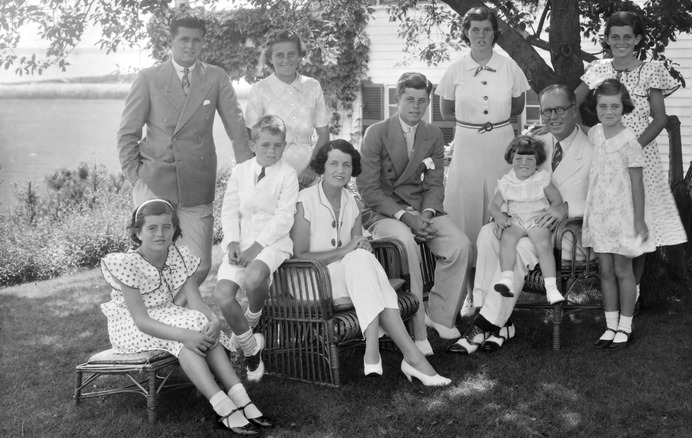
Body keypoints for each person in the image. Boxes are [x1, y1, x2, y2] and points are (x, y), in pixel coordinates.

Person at [99, 199, 273, 435]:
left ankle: (241, 398)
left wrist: (214, 320)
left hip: (166, 315)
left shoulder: (177, 255)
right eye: (152, 228)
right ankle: (223, 407)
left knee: (199, 322)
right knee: (186, 334)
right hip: (130, 325)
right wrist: (186, 336)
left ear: (175, 229)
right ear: (138, 232)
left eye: (166, 227)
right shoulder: (127, 263)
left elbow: (197, 303)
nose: (160, 233)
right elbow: (141, 320)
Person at [291, 140, 451, 386]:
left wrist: (361, 245)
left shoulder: (351, 201)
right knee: (361, 261)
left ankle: (384, 353)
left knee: (362, 256)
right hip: (312, 280)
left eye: (346, 165)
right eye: (333, 163)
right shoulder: (306, 200)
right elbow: (300, 255)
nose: (340, 170)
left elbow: (356, 243)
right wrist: (349, 250)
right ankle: (406, 356)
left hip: (349, 275)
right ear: (322, 166)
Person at [449, 85, 593, 354]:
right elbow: (515, 184)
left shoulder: (594, 148)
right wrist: (502, 215)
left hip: (566, 235)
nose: (553, 116)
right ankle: (497, 317)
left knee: (519, 248)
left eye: (560, 109)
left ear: (574, 110)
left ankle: (483, 326)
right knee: (487, 233)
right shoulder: (538, 145)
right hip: (525, 223)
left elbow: (607, 201)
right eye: (547, 111)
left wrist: (568, 207)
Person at [117, 12, 253, 289]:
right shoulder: (149, 78)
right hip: (155, 180)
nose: (190, 46)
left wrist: (250, 175)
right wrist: (136, 178)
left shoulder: (215, 77)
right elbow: (127, 134)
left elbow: (237, 127)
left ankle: (172, 311)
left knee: (200, 265)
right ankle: (160, 322)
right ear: (171, 41)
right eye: (184, 40)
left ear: (203, 43)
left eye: (196, 40)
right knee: (152, 263)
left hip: (196, 182)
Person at [357, 72, 472, 355]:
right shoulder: (376, 133)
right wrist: (405, 217)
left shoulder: (432, 134)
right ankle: (418, 330)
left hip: (423, 210)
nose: (416, 106)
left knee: (461, 246)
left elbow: (434, 183)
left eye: (422, 101)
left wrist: (428, 215)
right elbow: (368, 190)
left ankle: (440, 315)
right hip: (384, 212)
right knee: (406, 243)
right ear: (398, 99)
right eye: (410, 99)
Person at [575, 10, 686, 301]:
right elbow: (571, 101)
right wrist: (583, 129)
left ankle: (632, 292)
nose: (621, 42)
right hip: (606, 158)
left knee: (638, 222)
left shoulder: (651, 68)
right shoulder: (599, 68)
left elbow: (659, 118)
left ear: (637, 39)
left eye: (627, 37)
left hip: (641, 155)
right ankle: (614, 286)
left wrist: (632, 146)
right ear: (607, 40)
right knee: (612, 216)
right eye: (615, 37)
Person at [435, 5, 530, 247]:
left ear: (495, 33)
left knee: (504, 197)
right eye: (475, 29)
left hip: (502, 141)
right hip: (468, 143)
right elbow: (446, 111)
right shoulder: (455, 70)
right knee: (465, 201)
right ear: (466, 32)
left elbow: (517, 107)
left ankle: (501, 270)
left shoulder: (509, 66)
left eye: (487, 30)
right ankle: (466, 273)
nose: (481, 35)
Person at [214, 115, 298, 382]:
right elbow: (229, 211)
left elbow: (284, 217)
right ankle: (252, 349)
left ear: (285, 146)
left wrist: (257, 247)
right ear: (252, 145)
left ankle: (250, 320)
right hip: (242, 242)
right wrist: (232, 243)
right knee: (224, 296)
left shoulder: (288, 174)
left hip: (273, 242)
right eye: (265, 145)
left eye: (278, 145)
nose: (271, 151)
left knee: (254, 277)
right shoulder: (240, 171)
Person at [584, 78, 654, 349]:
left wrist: (638, 220)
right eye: (603, 106)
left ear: (624, 108)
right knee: (605, 271)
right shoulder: (595, 133)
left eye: (615, 106)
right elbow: (578, 129)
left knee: (623, 270)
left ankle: (626, 326)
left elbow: (637, 182)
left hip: (623, 216)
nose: (609, 112)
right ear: (596, 108)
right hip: (600, 214)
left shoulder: (630, 142)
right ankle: (610, 325)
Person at [244, 29, 331, 186]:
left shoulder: (313, 86)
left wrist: (312, 168)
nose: (286, 60)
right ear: (270, 58)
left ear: (299, 56)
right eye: (279, 55)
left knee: (306, 210)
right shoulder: (260, 89)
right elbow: (251, 135)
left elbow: (324, 133)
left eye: (291, 54)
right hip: (271, 170)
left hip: (307, 171)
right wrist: (265, 171)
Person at [488, 135, 565, 305]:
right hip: (515, 219)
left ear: (537, 162)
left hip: (536, 219)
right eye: (519, 158)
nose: (524, 163)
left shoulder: (542, 179)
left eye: (530, 159)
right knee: (507, 238)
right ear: (511, 159)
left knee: (543, 244)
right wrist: (500, 216)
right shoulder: (507, 182)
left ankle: (551, 287)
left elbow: (557, 201)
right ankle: (507, 278)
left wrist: (551, 214)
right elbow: (493, 206)